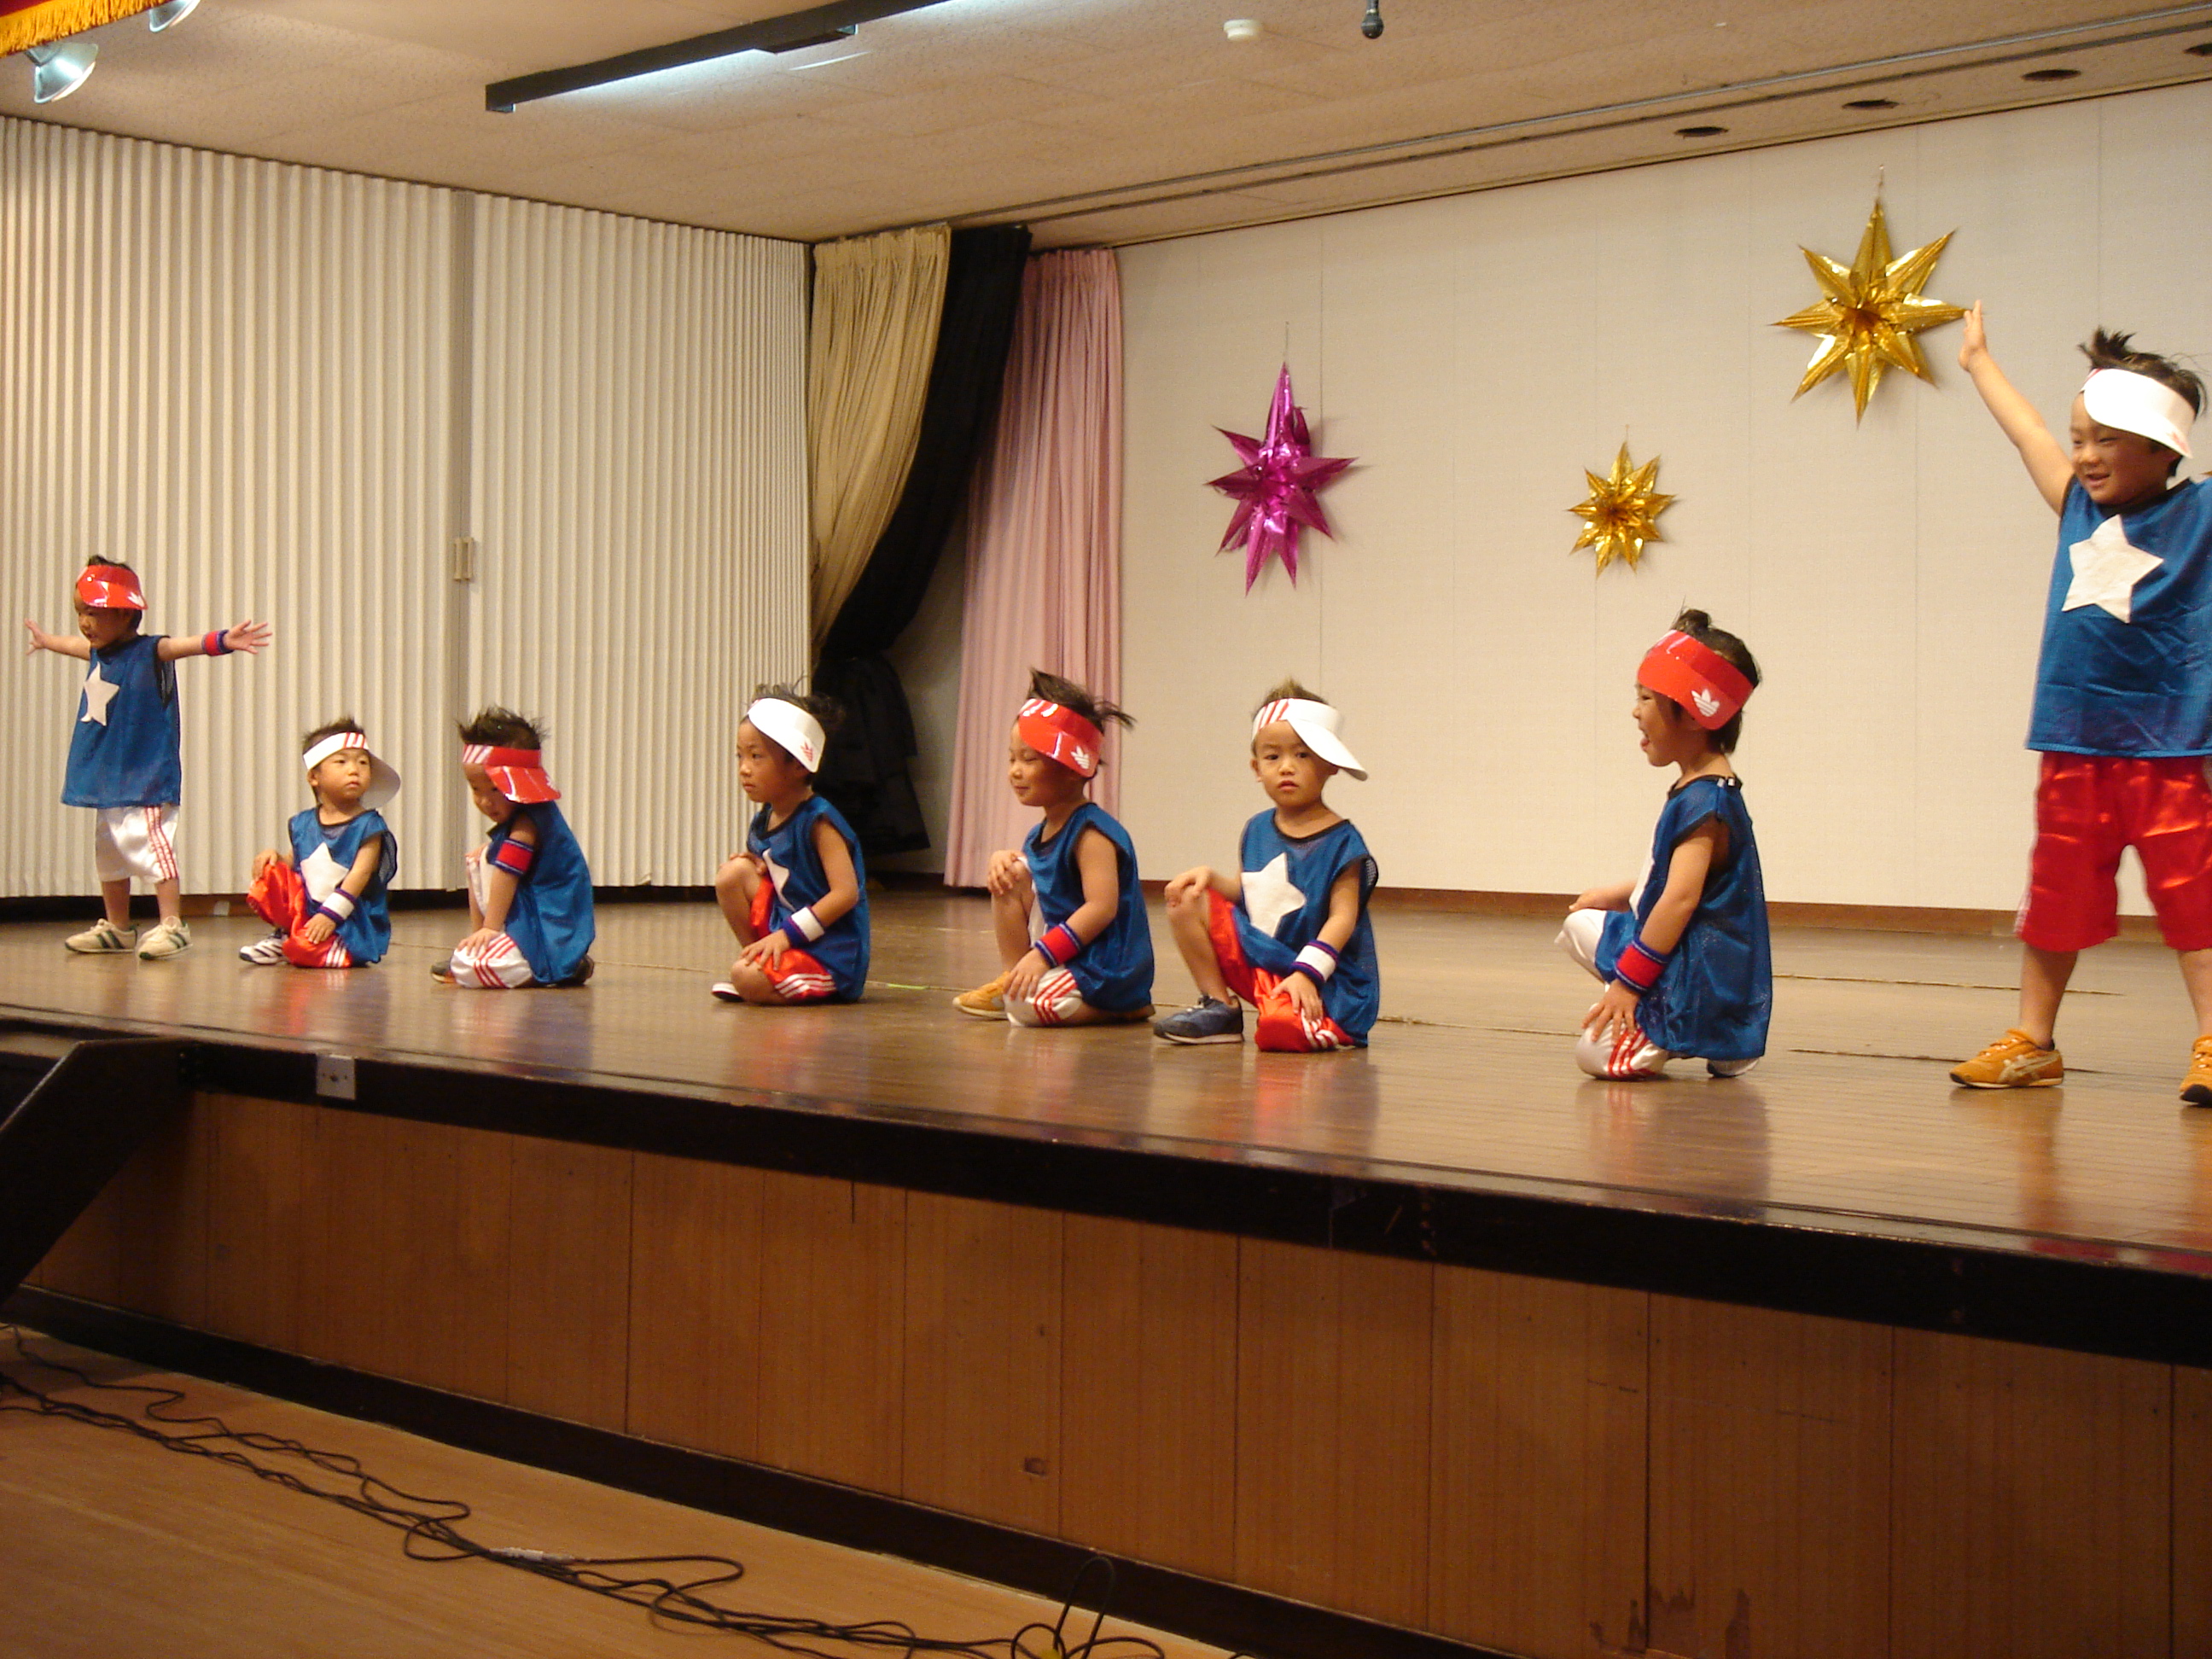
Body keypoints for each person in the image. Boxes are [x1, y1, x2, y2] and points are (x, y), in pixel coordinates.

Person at [1947, 309, 2212, 1099]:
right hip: (2074, 744)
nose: (2086, 455)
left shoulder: (2200, 516)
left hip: (2172, 749)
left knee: (2196, 897)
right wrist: (1978, 362)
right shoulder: (2077, 508)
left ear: (2164, 447)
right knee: (2056, 897)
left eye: (2107, 440)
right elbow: (2027, 432)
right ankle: (2034, 1041)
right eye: (2081, 438)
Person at [24, 558, 271, 960]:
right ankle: (118, 927)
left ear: (125, 614)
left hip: (146, 774)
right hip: (109, 776)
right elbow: (73, 645)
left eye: (93, 613)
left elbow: (185, 645)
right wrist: (46, 640)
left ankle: (173, 924)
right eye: (80, 613)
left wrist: (225, 640)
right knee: (110, 854)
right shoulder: (97, 654)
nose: (84, 623)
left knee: (154, 848)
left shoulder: (149, 651)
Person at [1559, 611, 1769, 1080]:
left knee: (1594, 1056)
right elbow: (1677, 878)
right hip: (1691, 954)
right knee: (1581, 924)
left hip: (1698, 971)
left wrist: (1628, 987)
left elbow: (1680, 899)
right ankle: (1717, 1034)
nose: (1636, 712)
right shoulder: (1703, 787)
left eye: (1647, 698)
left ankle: (1677, 1028)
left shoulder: (1706, 801)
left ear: (1694, 715)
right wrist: (1618, 894)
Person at [1153, 682, 1379, 1049]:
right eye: (1273, 757)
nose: (1287, 767)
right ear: (1257, 768)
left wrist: (1308, 974)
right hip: (1261, 957)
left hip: (1317, 977)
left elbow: (1343, 919)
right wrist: (1210, 879)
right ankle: (1220, 1007)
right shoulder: (1257, 827)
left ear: (1330, 764)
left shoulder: (1343, 841)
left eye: (1302, 755)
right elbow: (1251, 894)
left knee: (1280, 1030)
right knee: (1186, 899)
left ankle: (1307, 1016)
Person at [952, 669, 1154, 1026]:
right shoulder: (1039, 834)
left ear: (1073, 768)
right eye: (1012, 759)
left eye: (1030, 760)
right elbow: (1043, 878)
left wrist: (1042, 956)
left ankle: (1121, 1005)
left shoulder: (1091, 833)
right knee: (1010, 873)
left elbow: (1101, 908)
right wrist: (1004, 859)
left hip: (1105, 967)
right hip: (1071, 959)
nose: (1016, 771)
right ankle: (1012, 976)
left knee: (1023, 1007)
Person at [710, 687, 869, 1004]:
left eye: (756, 756)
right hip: (790, 935)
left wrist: (787, 935)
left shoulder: (819, 822)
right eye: (740, 756)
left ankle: (762, 976)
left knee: (746, 978)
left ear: (799, 764)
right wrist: (757, 866)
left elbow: (845, 894)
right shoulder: (764, 819)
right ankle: (758, 960)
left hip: (828, 954)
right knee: (732, 874)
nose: (744, 768)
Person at [437, 707, 595, 988]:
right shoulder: (526, 819)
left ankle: (546, 965)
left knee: (468, 967)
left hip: (547, 930)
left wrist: (491, 927)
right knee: (478, 858)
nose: (484, 801)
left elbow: (507, 873)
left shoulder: (526, 825)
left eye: (494, 789)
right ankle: (482, 945)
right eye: (475, 789)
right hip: (533, 920)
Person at [240, 719, 399, 968]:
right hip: (308, 909)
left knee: (304, 952)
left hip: (346, 918)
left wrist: (330, 916)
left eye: (363, 762)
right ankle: (286, 933)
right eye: (341, 762)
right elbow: (296, 863)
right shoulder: (304, 823)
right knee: (270, 873)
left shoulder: (369, 825)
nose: (354, 770)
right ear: (314, 777)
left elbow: (359, 875)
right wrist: (274, 858)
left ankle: (327, 946)